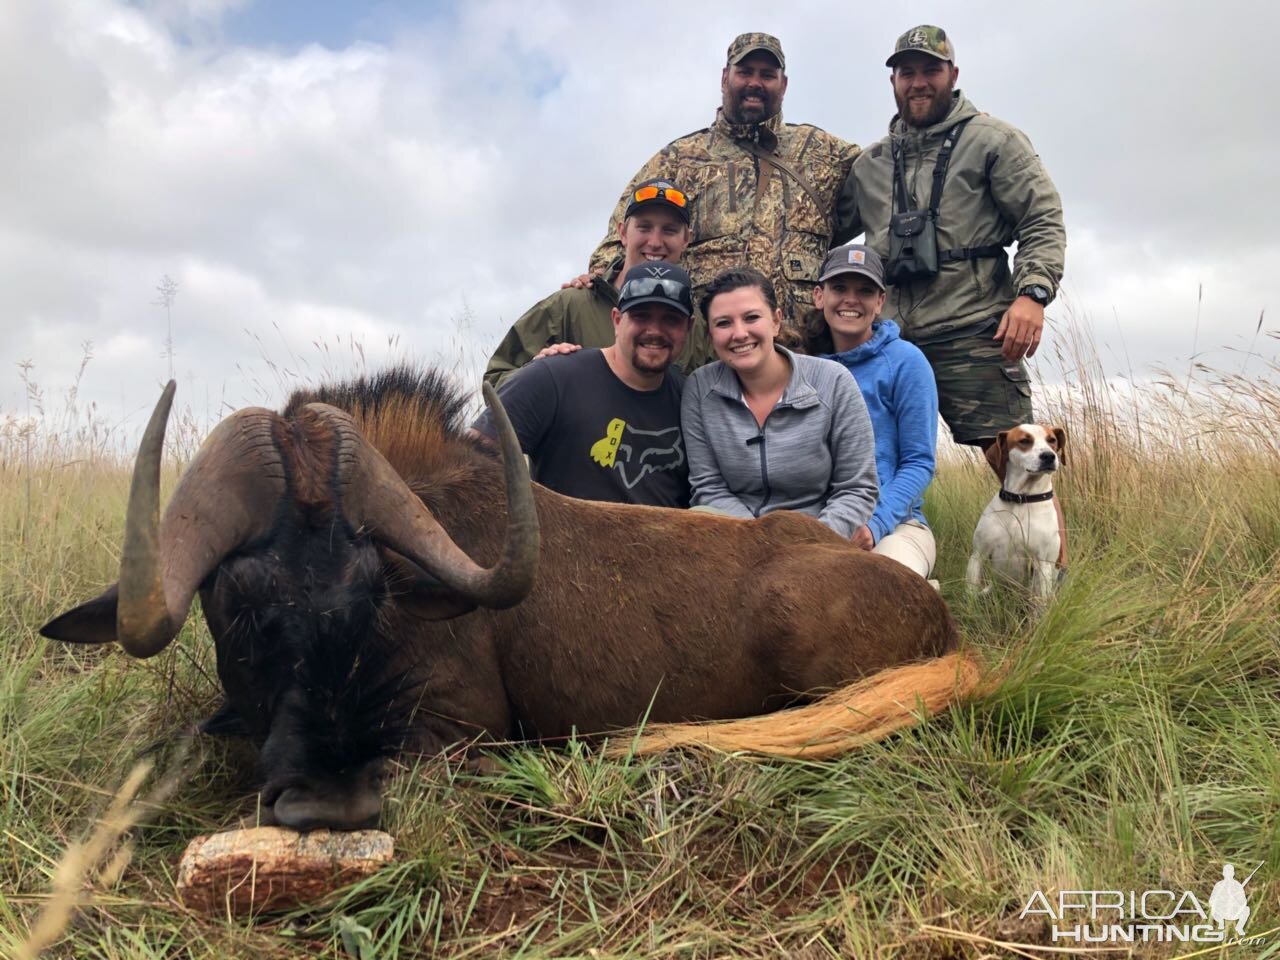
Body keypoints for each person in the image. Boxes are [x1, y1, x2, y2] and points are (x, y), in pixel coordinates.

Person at [833, 24, 1067, 565]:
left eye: (929, 70)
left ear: (952, 75)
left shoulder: (994, 141)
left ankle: (1053, 590)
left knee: (1023, 469)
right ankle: (869, 569)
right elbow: (818, 233)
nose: (918, 82)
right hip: (887, 339)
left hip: (976, 329)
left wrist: (1032, 294)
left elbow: (1042, 216)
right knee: (865, 459)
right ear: (893, 80)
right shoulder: (868, 166)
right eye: (906, 71)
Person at [588, 33, 859, 367]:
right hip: (704, 366)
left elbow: (887, 173)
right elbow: (616, 248)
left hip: (803, 363)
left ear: (783, 84)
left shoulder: (825, 153)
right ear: (724, 77)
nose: (755, 83)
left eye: (767, 74)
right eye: (745, 72)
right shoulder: (678, 160)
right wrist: (594, 286)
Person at [472, 263, 695, 507]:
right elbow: (471, 458)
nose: (655, 331)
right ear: (617, 320)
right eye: (641, 316)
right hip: (564, 541)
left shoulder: (693, 401)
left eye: (671, 320)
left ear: (689, 328)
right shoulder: (552, 377)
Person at [681, 267, 877, 536]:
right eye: (724, 323)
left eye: (751, 318)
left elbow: (856, 488)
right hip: (736, 537)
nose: (739, 334)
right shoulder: (699, 388)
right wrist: (759, 542)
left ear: (775, 321)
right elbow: (708, 487)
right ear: (711, 335)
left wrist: (814, 544)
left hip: (821, 539)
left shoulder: (833, 382)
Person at [802, 243, 938, 578]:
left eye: (864, 290)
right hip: (817, 521)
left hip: (895, 525)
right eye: (839, 288)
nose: (851, 300)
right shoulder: (801, 367)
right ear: (819, 296)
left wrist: (874, 525)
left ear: (880, 302)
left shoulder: (907, 362)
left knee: (878, 587)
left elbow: (919, 461)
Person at [483, 178, 692, 390]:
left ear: (686, 240)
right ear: (622, 233)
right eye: (644, 227)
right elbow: (496, 380)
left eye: (669, 230)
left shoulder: (696, 323)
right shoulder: (569, 306)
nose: (655, 242)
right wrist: (541, 377)